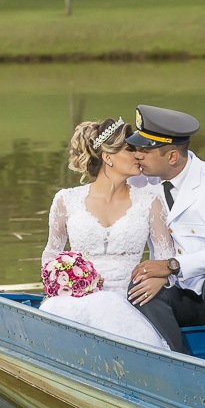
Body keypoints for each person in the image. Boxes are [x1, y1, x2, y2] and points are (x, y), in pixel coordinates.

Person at [126, 106, 205, 370]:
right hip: (174, 292)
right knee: (137, 290)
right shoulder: (140, 182)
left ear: (172, 156)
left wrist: (171, 266)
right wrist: (162, 274)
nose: (137, 156)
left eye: (145, 151)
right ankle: (183, 364)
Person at [38, 118, 175, 350]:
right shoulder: (66, 200)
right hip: (74, 299)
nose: (139, 155)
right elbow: (52, 253)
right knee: (59, 311)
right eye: (130, 149)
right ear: (107, 157)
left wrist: (160, 278)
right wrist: (57, 285)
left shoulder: (150, 202)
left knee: (112, 311)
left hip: (131, 299)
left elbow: (166, 258)